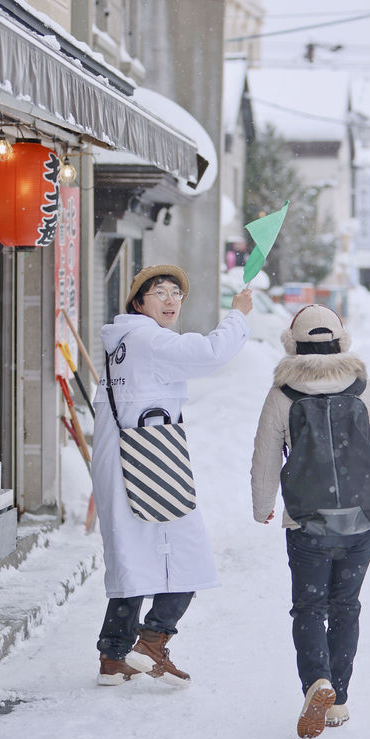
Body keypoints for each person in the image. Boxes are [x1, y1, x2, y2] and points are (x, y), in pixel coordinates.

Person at [249, 304, 370, 739]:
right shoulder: (366, 389)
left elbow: (265, 459)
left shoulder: (283, 394)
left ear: (293, 343)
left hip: (308, 523)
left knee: (309, 607)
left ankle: (317, 682)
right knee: (345, 607)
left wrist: (263, 505)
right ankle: (339, 699)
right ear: (342, 340)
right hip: (362, 522)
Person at [92, 264, 252, 686]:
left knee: (133, 560)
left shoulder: (124, 341)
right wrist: (237, 314)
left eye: (176, 294)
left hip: (127, 460)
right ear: (138, 301)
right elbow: (211, 354)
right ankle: (151, 641)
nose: (170, 300)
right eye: (159, 292)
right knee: (188, 557)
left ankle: (114, 655)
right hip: (149, 463)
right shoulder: (148, 338)